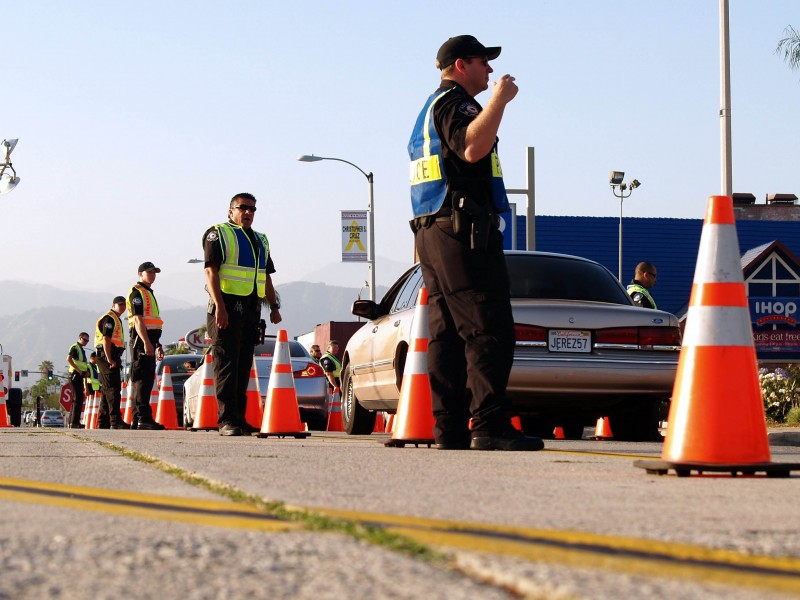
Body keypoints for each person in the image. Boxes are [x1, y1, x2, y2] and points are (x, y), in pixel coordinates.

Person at [408, 35, 543, 451]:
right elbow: (471, 148)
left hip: (434, 230)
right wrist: (499, 101)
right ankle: (488, 424)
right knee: (489, 327)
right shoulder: (456, 104)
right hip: (461, 229)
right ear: (461, 65)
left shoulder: (427, 111)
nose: (489, 70)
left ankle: (448, 428)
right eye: (484, 63)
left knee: (447, 332)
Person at [203, 192, 282, 436]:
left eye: (252, 209)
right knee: (226, 364)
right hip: (226, 306)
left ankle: (239, 419)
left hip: (251, 309)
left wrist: (274, 306)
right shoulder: (219, 234)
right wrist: (220, 307)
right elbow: (211, 272)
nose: (248, 212)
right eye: (243, 208)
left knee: (242, 365)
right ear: (231, 211)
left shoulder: (261, 240)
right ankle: (226, 420)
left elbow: (266, 276)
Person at [127, 262, 165, 430]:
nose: (152, 275)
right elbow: (138, 320)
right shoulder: (137, 293)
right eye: (149, 272)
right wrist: (147, 343)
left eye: (154, 272)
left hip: (148, 339)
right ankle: (143, 418)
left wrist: (156, 344)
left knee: (144, 378)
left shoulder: (147, 292)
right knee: (143, 379)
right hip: (141, 340)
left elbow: (152, 323)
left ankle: (137, 418)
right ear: (140, 274)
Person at [95, 297, 128, 429]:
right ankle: (115, 421)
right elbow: (106, 339)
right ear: (113, 305)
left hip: (110, 356)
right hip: (107, 356)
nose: (122, 307)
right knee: (113, 389)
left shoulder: (115, 318)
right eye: (119, 305)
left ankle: (103, 421)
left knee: (106, 390)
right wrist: (109, 359)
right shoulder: (109, 318)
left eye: (124, 305)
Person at [66, 332, 90, 428]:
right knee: (77, 398)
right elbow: (69, 359)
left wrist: (84, 372)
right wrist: (79, 371)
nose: (86, 342)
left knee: (79, 399)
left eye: (87, 340)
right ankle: (74, 422)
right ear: (80, 338)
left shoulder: (81, 349)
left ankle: (74, 422)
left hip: (79, 375)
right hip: (75, 375)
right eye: (84, 340)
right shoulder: (75, 347)